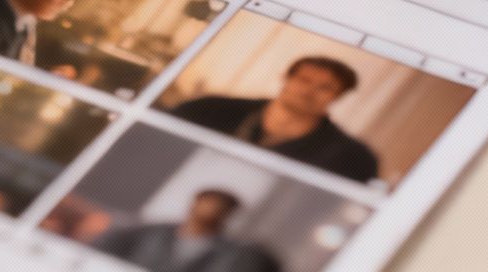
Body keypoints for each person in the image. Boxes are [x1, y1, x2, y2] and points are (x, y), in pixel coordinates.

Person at [167, 57, 379, 183]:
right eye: (304, 80)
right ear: (286, 79)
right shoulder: (208, 110)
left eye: (325, 88)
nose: (308, 91)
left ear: (338, 96)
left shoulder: (351, 158)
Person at [90, 188, 281, 272]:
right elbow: (101, 250)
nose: (211, 212)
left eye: (220, 209)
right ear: (194, 205)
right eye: (207, 205)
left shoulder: (238, 254)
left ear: (228, 214)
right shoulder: (149, 233)